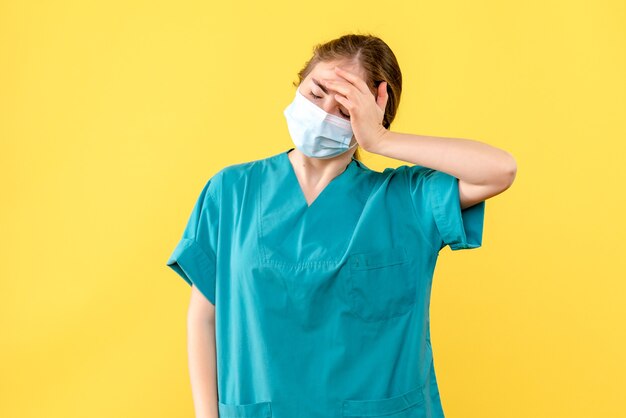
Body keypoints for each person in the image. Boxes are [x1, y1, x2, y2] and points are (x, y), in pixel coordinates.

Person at [166, 33, 517, 418]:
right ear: (299, 83)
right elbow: (204, 315)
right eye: (317, 94)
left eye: (345, 108)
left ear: (373, 115)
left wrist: (381, 139)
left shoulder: (406, 200)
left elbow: (499, 170)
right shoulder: (232, 191)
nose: (323, 113)